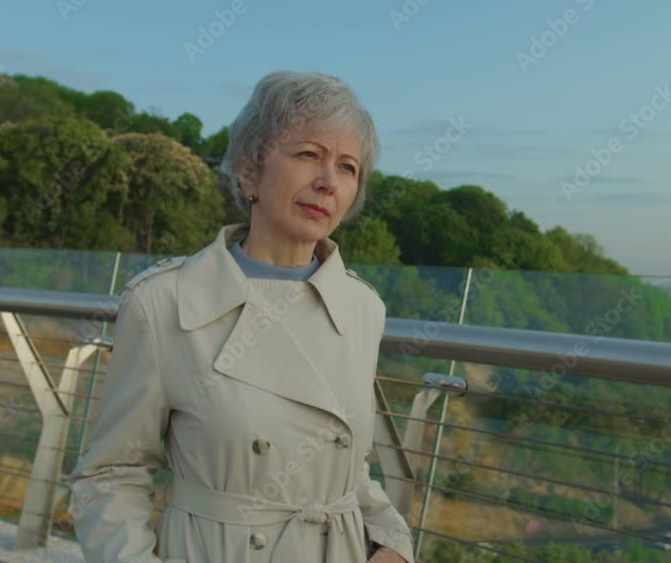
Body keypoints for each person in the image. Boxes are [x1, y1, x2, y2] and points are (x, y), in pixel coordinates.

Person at [67, 71, 414, 563]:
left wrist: (391, 541)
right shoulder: (164, 303)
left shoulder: (363, 309)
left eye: (348, 167)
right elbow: (109, 476)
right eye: (308, 154)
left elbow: (344, 466)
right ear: (250, 171)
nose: (328, 182)